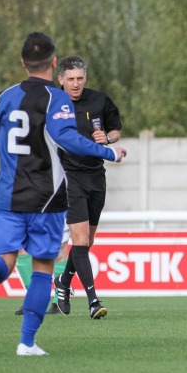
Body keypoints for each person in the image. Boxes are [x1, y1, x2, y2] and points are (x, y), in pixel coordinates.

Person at [0, 32, 126, 356]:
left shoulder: (5, 97)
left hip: (7, 197)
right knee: (42, 268)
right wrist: (109, 153)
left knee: (4, 265)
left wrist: (7, 148)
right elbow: (68, 139)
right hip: (47, 199)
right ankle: (27, 343)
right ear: (54, 64)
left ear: (23, 63)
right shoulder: (57, 99)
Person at [52, 55, 123, 319]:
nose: (75, 83)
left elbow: (116, 130)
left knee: (87, 241)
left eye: (80, 78)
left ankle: (64, 282)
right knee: (79, 239)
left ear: (85, 78)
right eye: (70, 79)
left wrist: (107, 137)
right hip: (68, 178)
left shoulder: (100, 100)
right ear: (61, 79)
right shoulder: (52, 104)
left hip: (96, 176)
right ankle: (93, 301)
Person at [14, 224, 70, 316]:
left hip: (57, 210)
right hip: (26, 210)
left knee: (60, 249)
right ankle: (33, 298)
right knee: (22, 246)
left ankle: (59, 302)